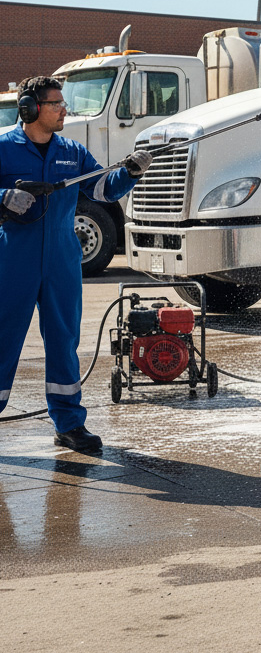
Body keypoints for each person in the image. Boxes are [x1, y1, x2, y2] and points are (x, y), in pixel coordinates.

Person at [0, 76, 153, 453]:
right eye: (55, 104)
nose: (64, 109)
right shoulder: (3, 147)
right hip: (12, 260)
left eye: (62, 103)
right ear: (30, 109)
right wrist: (3, 196)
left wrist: (131, 172)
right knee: (2, 341)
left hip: (62, 262)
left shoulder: (71, 150)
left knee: (64, 341)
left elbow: (102, 188)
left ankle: (69, 424)